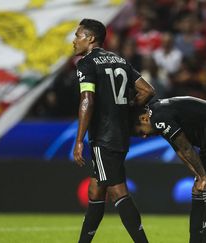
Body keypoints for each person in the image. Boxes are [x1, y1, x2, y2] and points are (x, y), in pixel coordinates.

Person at [72, 19, 155, 243]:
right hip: (120, 133)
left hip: (103, 136)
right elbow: (147, 90)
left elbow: (87, 99)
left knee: (118, 192)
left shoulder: (87, 63)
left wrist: (79, 139)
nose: (74, 40)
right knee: (95, 191)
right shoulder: (119, 59)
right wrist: (127, 109)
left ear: (90, 39)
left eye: (78, 35)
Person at [133, 96, 206, 243]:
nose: (144, 136)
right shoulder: (157, 113)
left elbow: (186, 148)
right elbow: (180, 150)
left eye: (141, 131)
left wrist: (203, 177)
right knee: (197, 188)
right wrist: (199, 176)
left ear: (144, 118)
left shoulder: (160, 118)